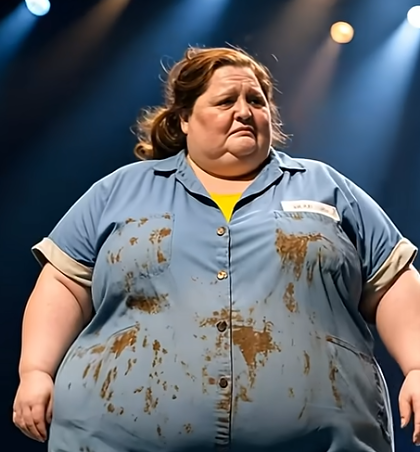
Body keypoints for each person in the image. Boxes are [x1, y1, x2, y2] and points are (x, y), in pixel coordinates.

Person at [13, 46, 420, 452]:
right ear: (184, 119)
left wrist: (418, 367)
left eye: (256, 101)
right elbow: (64, 285)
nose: (244, 112)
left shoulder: (327, 187)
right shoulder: (118, 190)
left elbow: (393, 282)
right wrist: (35, 370)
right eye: (226, 101)